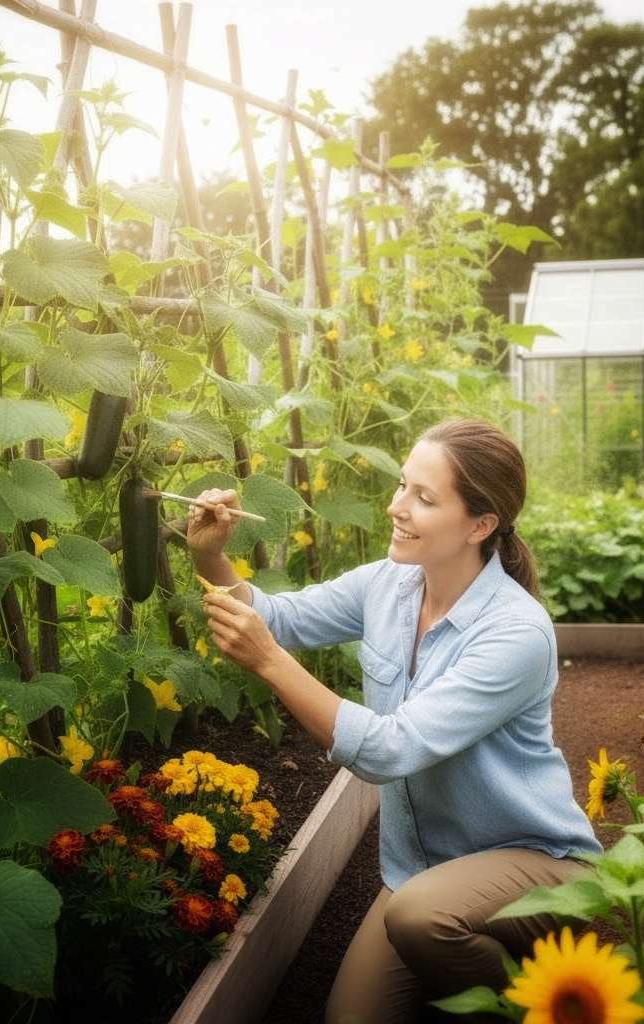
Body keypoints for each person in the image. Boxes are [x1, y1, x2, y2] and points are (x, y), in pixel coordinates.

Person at [187, 417, 603, 1024]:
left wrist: (270, 662)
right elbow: (280, 617)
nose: (396, 506)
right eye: (403, 484)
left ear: (480, 526)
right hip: (421, 875)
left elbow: (390, 750)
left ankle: (549, 1004)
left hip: (535, 864)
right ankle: (466, 958)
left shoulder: (514, 633)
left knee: (420, 919)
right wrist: (210, 555)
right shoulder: (390, 585)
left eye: (423, 498)